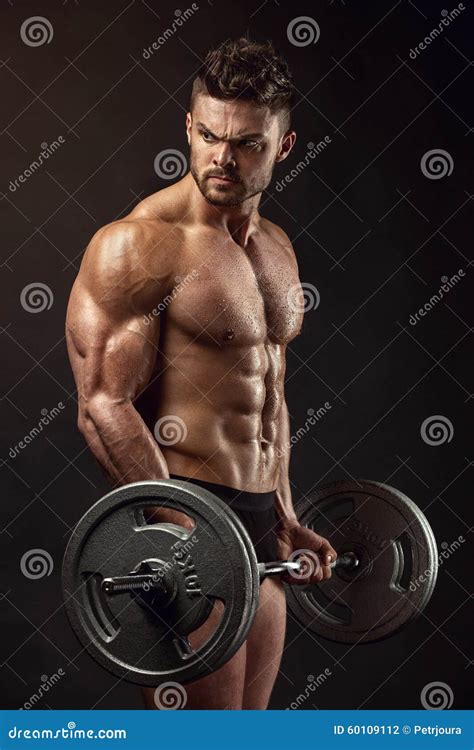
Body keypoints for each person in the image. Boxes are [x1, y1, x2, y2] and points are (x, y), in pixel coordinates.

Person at [66, 36, 337, 710]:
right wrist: (188, 537)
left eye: (246, 142)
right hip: (190, 514)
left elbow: (269, 396)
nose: (222, 156)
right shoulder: (137, 245)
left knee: (250, 730)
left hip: (256, 525)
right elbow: (102, 405)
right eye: (209, 134)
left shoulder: (275, 249)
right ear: (189, 126)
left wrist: (284, 515)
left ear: (284, 145)